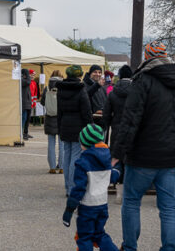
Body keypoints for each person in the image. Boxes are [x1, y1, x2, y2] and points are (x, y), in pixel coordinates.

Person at [112, 41, 175, 251]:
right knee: (168, 207)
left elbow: (131, 119)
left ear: (147, 57)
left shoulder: (143, 80)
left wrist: (118, 153)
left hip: (143, 154)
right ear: (166, 56)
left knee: (131, 201)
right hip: (171, 155)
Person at [60, 124, 129, 251]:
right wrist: (118, 171)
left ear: (86, 143)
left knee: (84, 238)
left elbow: (79, 189)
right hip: (102, 205)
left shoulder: (82, 163)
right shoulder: (106, 158)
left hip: (87, 206)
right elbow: (112, 176)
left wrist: (69, 208)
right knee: (99, 234)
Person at [56, 65, 94, 194]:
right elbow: (86, 111)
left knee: (67, 156)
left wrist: (59, 127)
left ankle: (68, 186)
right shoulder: (80, 89)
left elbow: (59, 111)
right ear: (79, 75)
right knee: (76, 157)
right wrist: (90, 127)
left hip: (65, 124)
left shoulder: (60, 89)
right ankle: (73, 187)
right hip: (78, 126)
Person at [101, 64, 133, 187]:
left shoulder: (113, 93)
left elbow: (106, 114)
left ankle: (115, 180)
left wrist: (106, 125)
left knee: (116, 154)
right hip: (132, 127)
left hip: (117, 127)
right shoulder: (136, 92)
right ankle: (128, 181)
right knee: (129, 155)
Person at [42, 70, 63, 174]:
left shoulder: (47, 88)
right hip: (61, 118)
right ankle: (62, 166)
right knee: (62, 143)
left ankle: (52, 167)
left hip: (50, 118)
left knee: (51, 143)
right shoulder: (63, 87)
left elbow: (42, 102)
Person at [20, 68, 33, 139]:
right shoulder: (21, 80)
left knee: (27, 119)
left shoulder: (25, 79)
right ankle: (21, 134)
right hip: (24, 103)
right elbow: (28, 82)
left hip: (28, 103)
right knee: (24, 119)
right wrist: (27, 74)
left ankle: (25, 133)